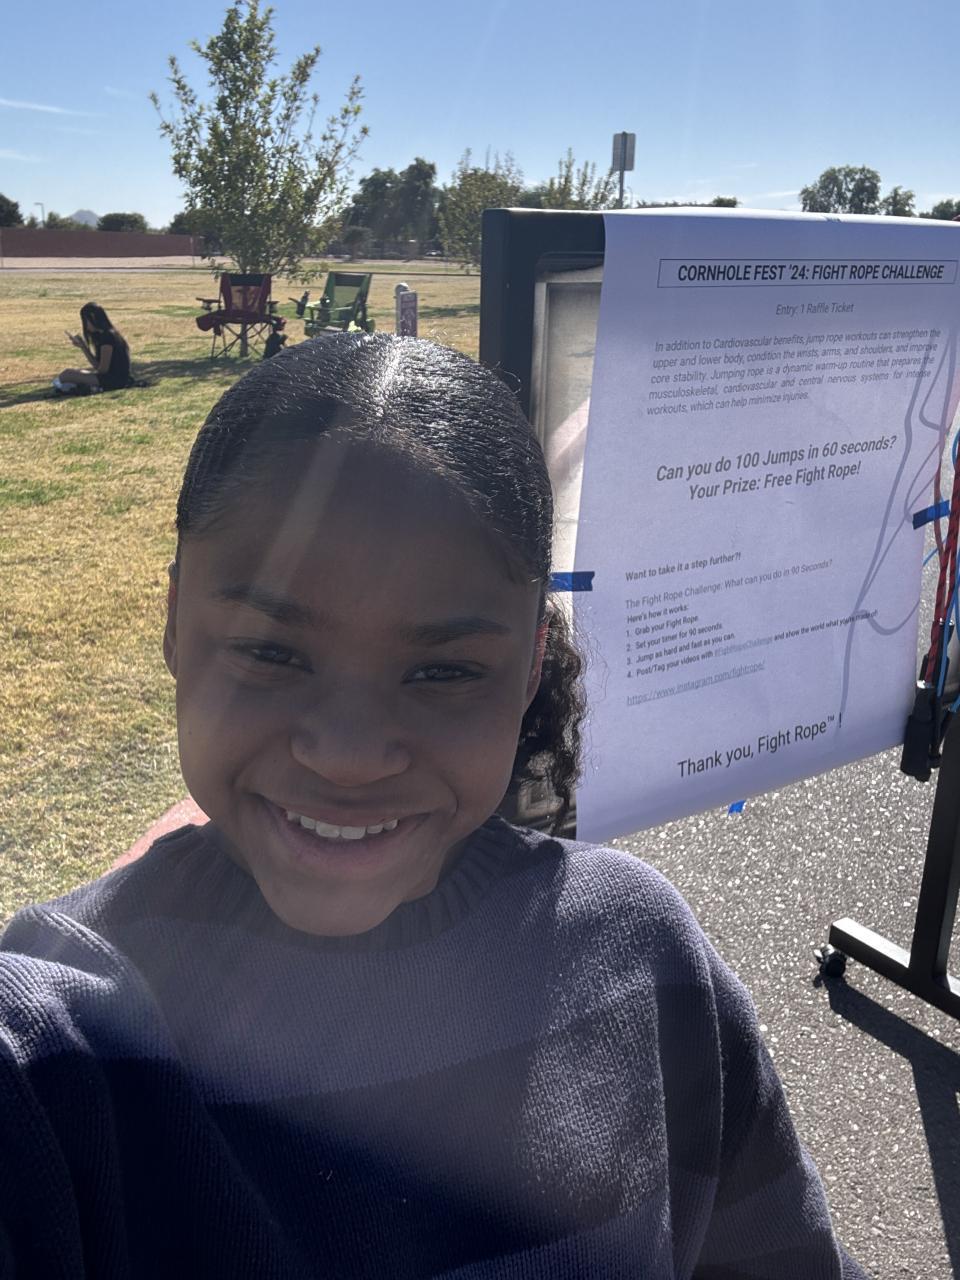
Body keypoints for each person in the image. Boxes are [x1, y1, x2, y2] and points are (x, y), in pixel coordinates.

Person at [0, 334, 869, 1278]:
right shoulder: (60, 1043)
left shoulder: (642, 956)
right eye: (270, 652)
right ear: (174, 625)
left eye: (445, 671)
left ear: (530, 666)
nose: (348, 755)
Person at [54, 300, 131, 394]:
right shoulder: (102, 335)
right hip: (111, 378)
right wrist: (83, 347)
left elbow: (102, 370)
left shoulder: (108, 337)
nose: (85, 324)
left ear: (93, 318)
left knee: (67, 375)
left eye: (86, 320)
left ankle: (83, 387)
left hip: (115, 381)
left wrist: (85, 349)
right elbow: (99, 367)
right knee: (74, 372)